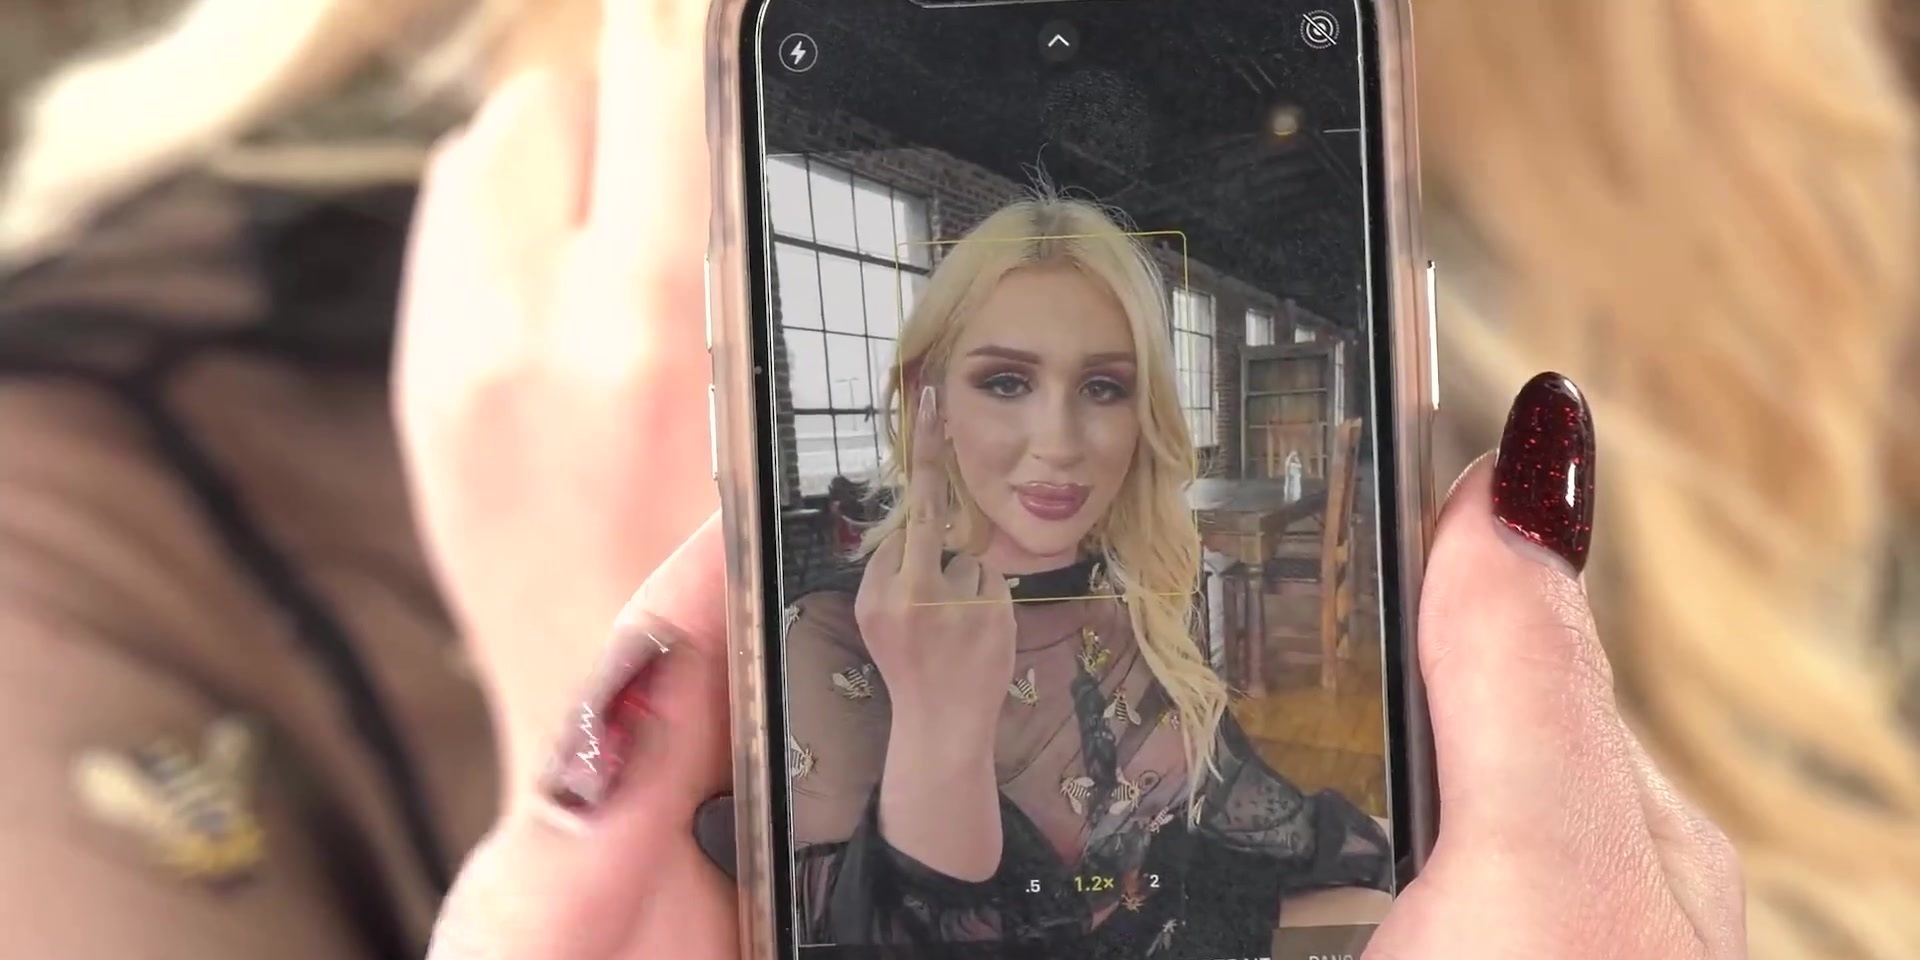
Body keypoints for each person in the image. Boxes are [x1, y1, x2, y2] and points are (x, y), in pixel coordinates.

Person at [772, 197, 1389, 953]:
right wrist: (939, 719)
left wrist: (1409, 842)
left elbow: (1227, 802)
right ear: (932, 402)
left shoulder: (1136, 599)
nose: (1060, 442)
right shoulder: (829, 642)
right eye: (1006, 382)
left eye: (1103, 388)